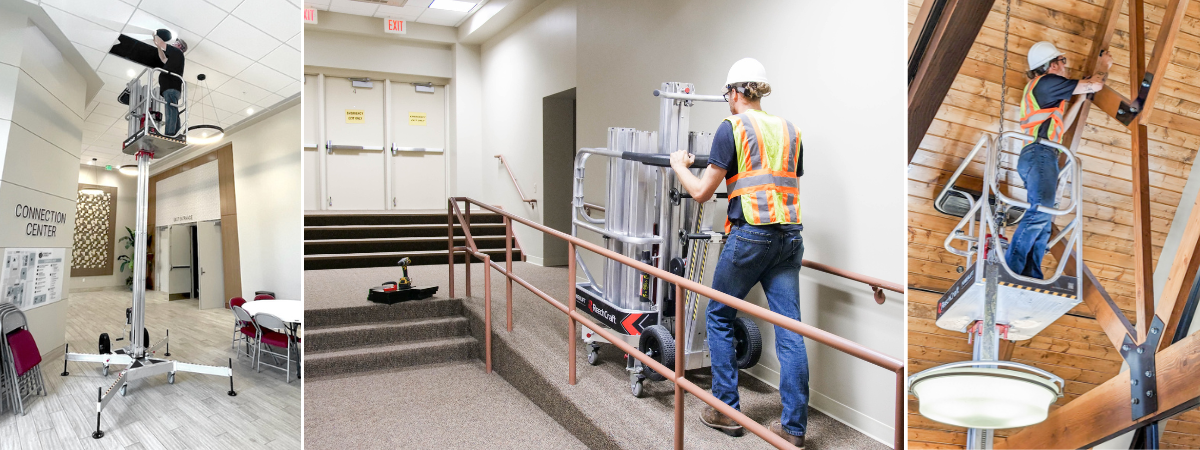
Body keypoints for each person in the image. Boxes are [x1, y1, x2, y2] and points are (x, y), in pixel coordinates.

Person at [669, 57, 807, 447]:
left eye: (727, 92)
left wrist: (680, 163)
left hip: (751, 236)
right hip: (790, 237)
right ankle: (794, 429)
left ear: (734, 92)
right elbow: (770, 175)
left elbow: (700, 192)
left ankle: (725, 410)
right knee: (790, 329)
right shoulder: (791, 130)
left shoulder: (732, 127)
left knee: (718, 313)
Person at [1005, 41, 1112, 278]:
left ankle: (1031, 273)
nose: (1066, 66)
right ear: (1052, 65)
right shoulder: (1046, 83)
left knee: (1044, 220)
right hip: (1040, 154)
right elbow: (1096, 82)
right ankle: (1011, 269)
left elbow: (1062, 126)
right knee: (1041, 211)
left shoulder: (1049, 93)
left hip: (1042, 155)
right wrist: (1104, 66)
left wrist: (1082, 98)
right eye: (1063, 61)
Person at [152, 29, 187, 137]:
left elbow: (162, 44)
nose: (173, 43)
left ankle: (170, 133)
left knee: (170, 109)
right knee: (173, 110)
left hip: (171, 87)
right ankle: (175, 132)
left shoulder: (177, 52)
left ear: (179, 46)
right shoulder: (175, 57)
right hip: (172, 88)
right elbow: (163, 58)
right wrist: (158, 46)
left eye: (175, 43)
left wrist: (155, 34)